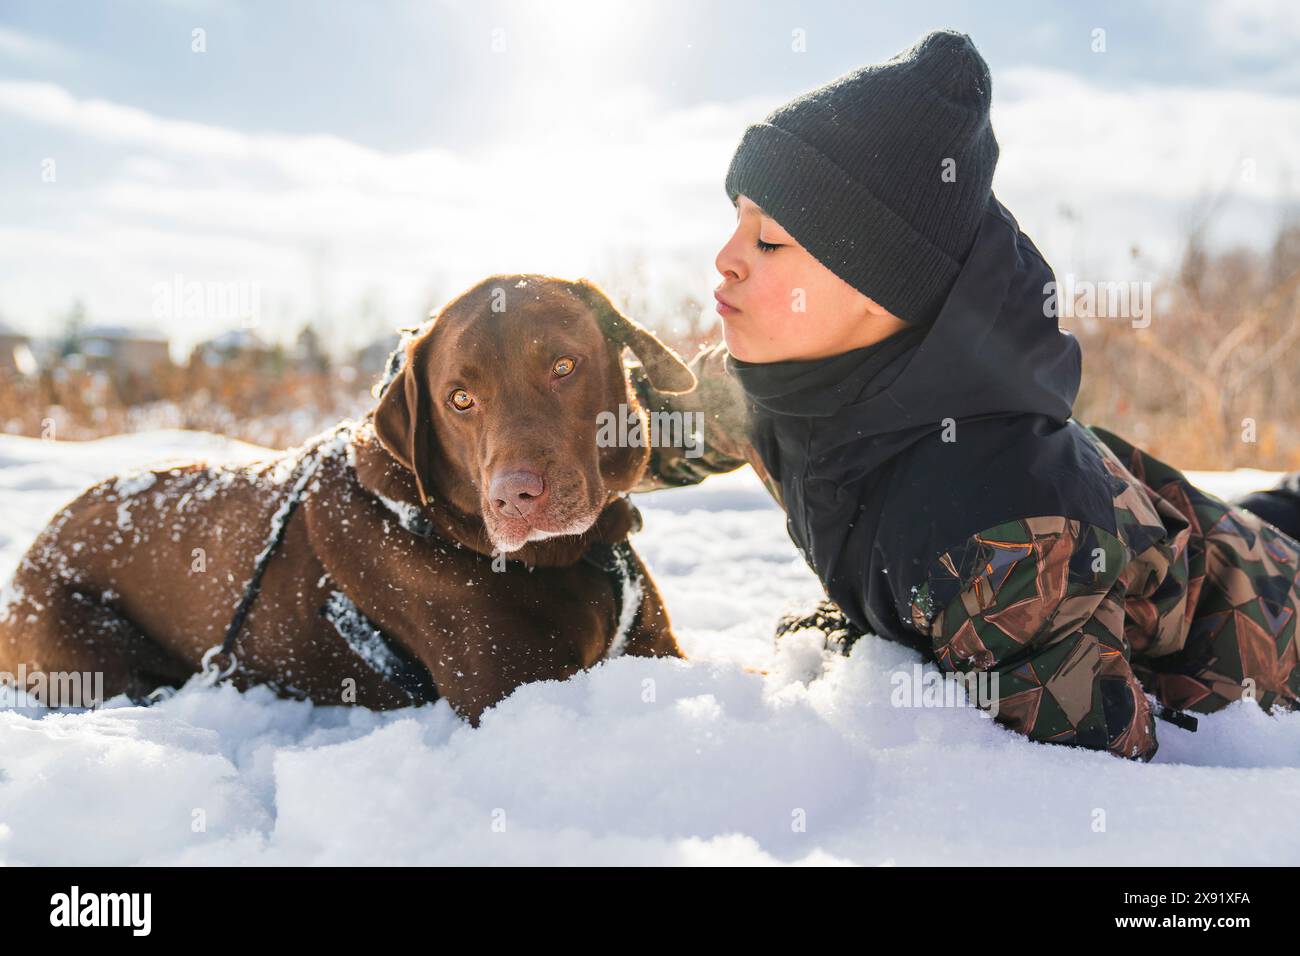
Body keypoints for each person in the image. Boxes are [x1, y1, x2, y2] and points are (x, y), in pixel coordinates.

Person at [630, 29, 1300, 762]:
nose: (724, 259)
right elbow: (620, 441)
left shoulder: (999, 533)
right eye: (737, 219)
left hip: (1261, 622)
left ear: (880, 291)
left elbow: (1088, 779)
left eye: (770, 241)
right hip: (1171, 521)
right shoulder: (766, 385)